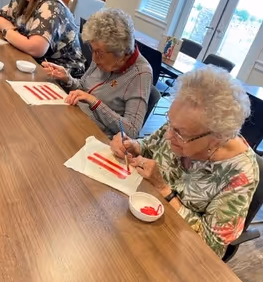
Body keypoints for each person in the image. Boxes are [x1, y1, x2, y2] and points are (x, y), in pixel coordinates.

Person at [111, 65, 259, 258]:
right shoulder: (182, 121)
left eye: (180, 133)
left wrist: (164, 189)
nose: (169, 135)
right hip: (138, 218)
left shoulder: (240, 174)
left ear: (218, 137)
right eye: (170, 122)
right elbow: (149, 145)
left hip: (176, 251)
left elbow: (213, 247)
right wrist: (132, 146)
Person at [42, 8, 154, 138]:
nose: (94, 59)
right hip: (75, 118)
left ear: (121, 53)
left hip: (95, 136)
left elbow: (132, 131)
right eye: (92, 49)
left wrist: (95, 103)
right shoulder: (103, 55)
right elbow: (84, 88)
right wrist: (68, 79)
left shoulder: (140, 74)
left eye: (99, 53)